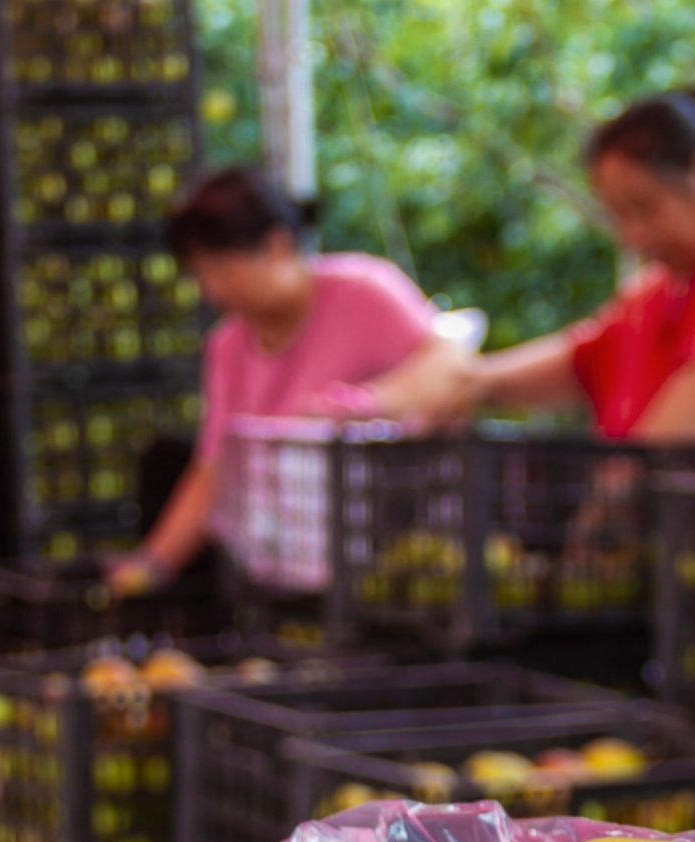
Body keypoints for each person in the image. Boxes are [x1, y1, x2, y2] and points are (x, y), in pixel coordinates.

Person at [373, 89, 695, 477]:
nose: (634, 235)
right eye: (619, 215)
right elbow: (584, 359)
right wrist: (473, 381)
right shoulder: (663, 290)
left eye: (644, 209)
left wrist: (611, 500)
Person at [106, 167, 469, 593]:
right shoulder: (226, 346)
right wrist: (152, 564)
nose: (213, 290)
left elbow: (452, 366)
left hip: (401, 549)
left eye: (220, 269)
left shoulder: (364, 290)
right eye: (201, 276)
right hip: (292, 569)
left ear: (276, 245)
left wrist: (367, 403)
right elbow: (213, 471)